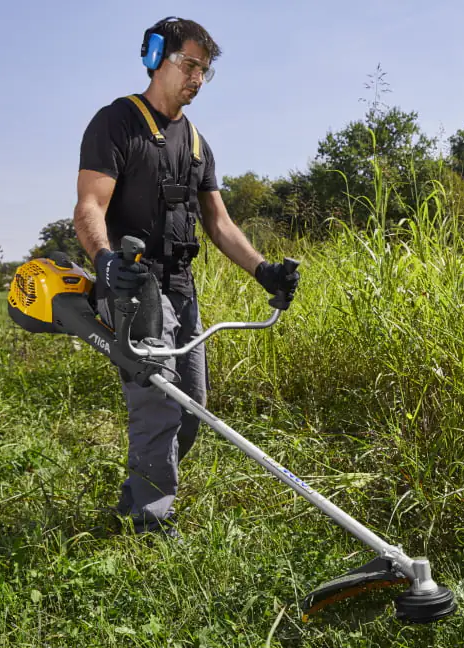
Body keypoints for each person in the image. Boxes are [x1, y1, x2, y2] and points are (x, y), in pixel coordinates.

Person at [73, 16, 299, 538]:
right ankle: (147, 523)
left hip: (180, 286)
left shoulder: (196, 143)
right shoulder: (117, 123)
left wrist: (263, 270)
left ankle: (140, 495)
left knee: (190, 407)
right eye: (189, 64)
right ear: (156, 56)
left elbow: (219, 224)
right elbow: (89, 206)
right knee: (159, 402)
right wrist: (105, 262)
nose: (198, 77)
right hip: (134, 285)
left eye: (206, 70)